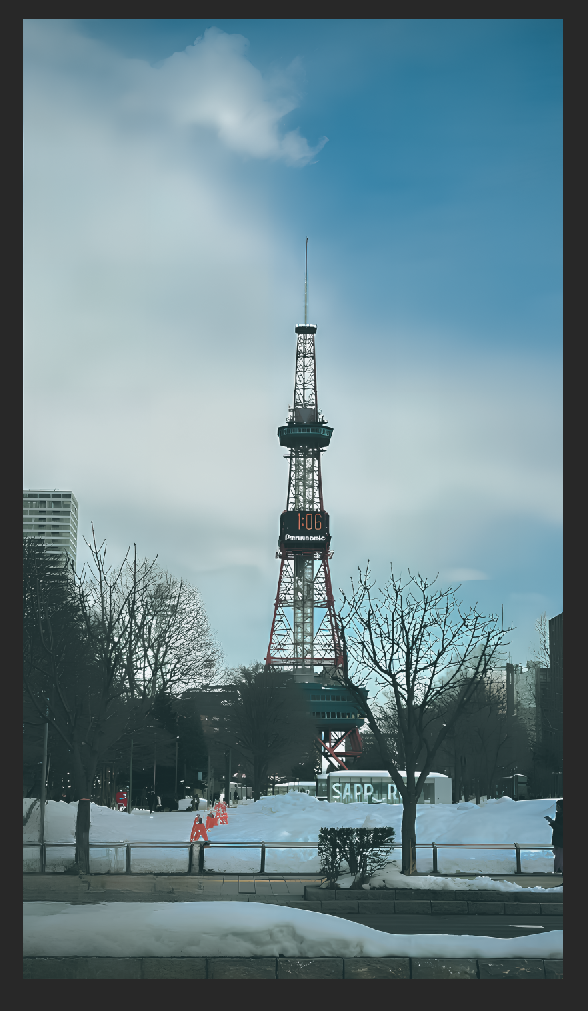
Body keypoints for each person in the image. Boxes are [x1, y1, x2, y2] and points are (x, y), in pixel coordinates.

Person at [545, 799, 563, 874]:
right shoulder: (559, 815)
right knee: (558, 858)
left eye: (557, 806)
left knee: (559, 859)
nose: (556, 808)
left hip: (561, 843)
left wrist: (552, 822)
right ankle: (558, 871)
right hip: (559, 842)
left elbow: (561, 829)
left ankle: (558, 872)